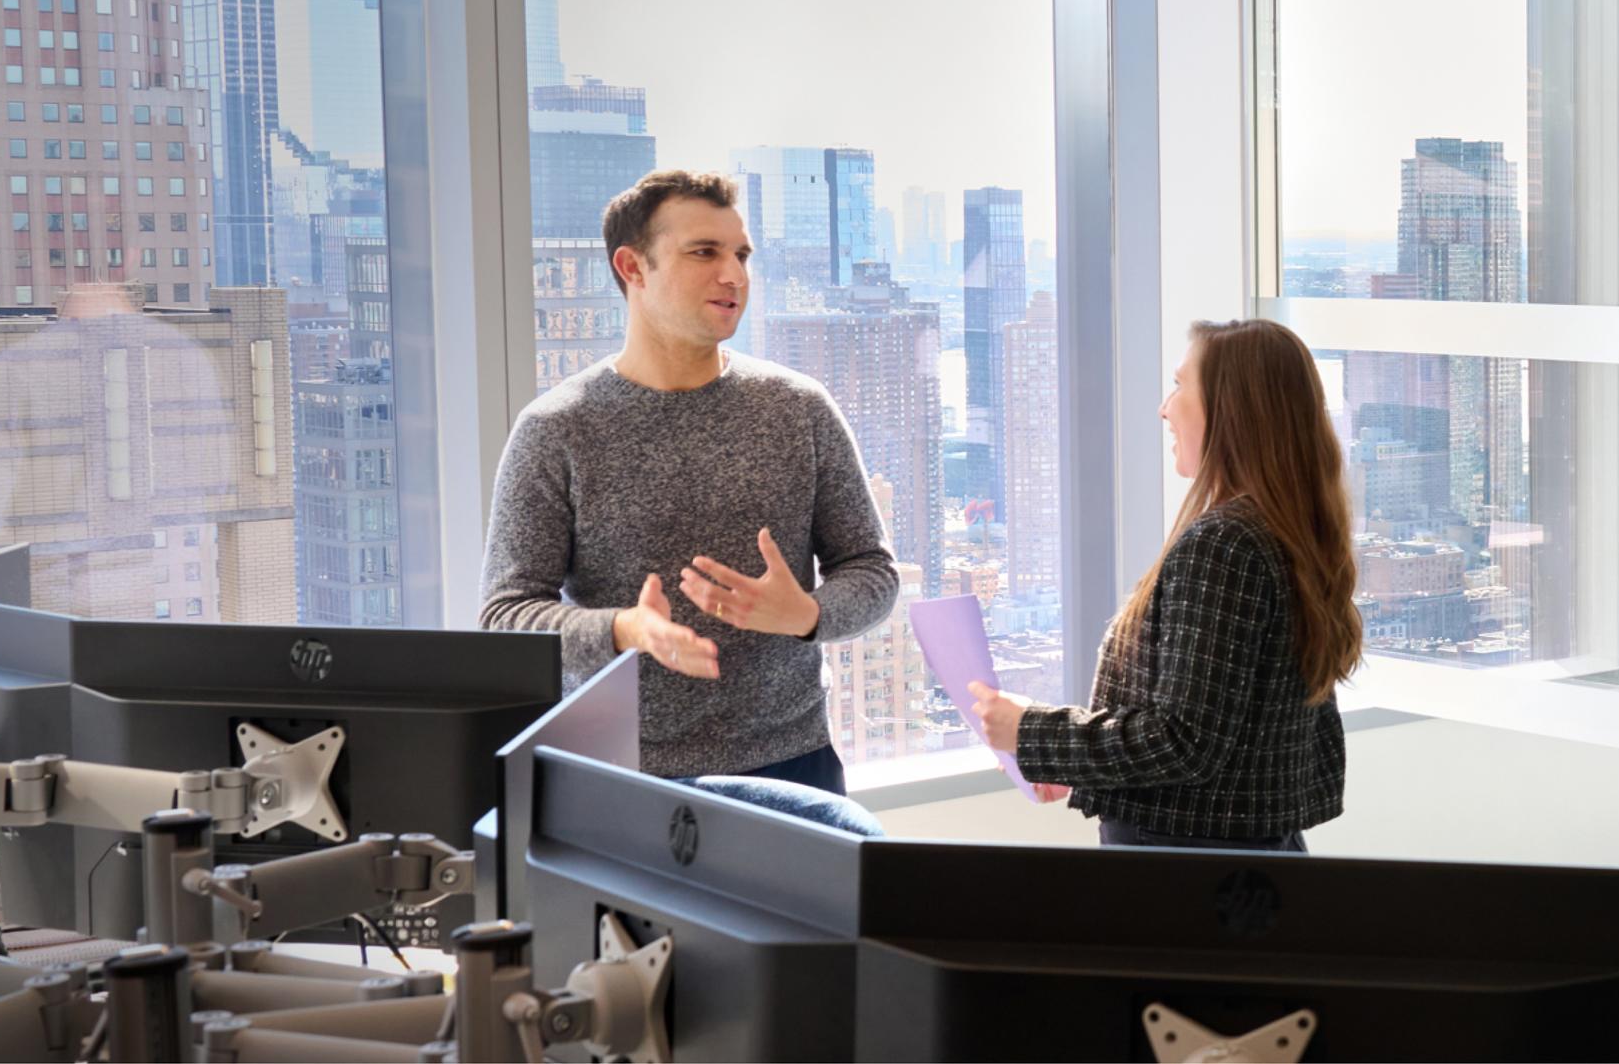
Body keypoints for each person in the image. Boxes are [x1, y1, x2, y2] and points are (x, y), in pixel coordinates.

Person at [477, 170, 902, 797]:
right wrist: (624, 630)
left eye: (741, 254)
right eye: (704, 252)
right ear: (633, 267)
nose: (733, 274)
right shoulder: (556, 430)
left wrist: (808, 612)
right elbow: (504, 617)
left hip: (794, 765)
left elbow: (873, 571)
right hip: (618, 772)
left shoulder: (799, 408)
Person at [963, 320, 1360, 853]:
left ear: (1230, 410)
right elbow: (1234, 732)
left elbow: (1185, 741)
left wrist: (1029, 732)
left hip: (1185, 865)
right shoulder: (1286, 532)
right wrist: (1082, 767)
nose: (1165, 408)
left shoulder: (1225, 543)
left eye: (1180, 385)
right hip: (1251, 854)